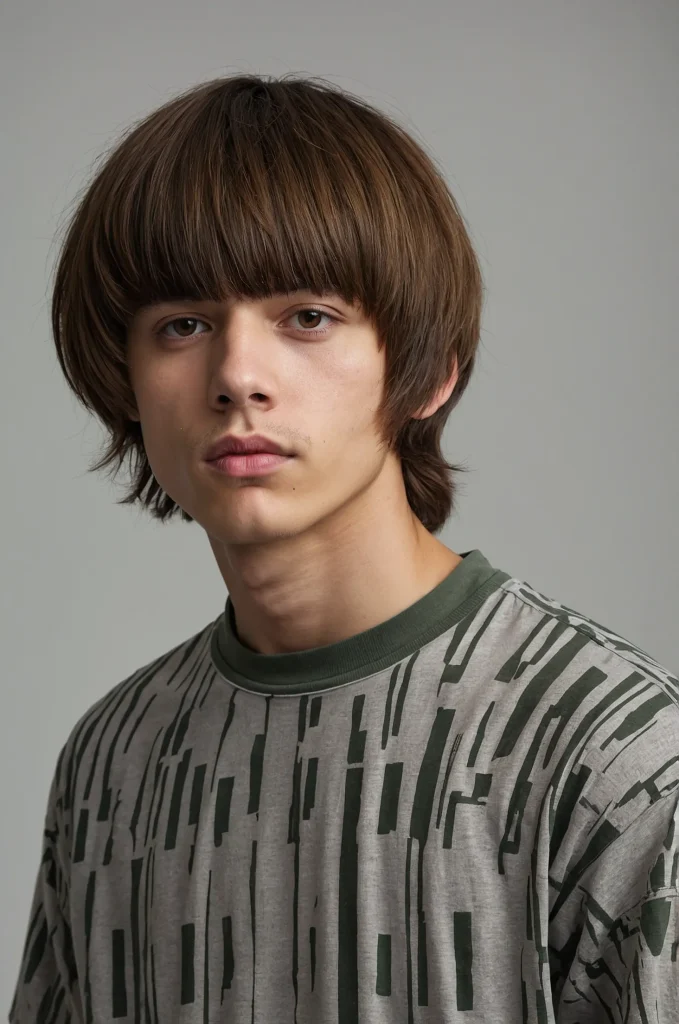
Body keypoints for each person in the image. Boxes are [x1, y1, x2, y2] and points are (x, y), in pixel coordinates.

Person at [9, 73, 679, 1024]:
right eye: (183, 325)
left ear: (429, 371)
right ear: (125, 380)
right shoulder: (112, 761)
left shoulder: (616, 752)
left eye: (307, 317)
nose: (238, 374)